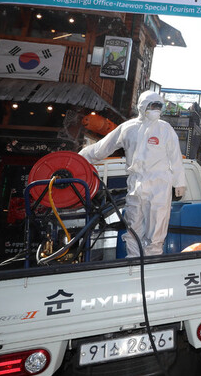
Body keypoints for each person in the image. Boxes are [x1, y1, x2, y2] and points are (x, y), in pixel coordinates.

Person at [78, 90, 185, 257]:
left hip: (160, 183)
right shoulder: (127, 128)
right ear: (142, 106)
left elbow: (175, 157)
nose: (156, 109)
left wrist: (179, 182)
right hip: (136, 183)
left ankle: (152, 262)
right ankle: (133, 263)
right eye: (153, 105)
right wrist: (79, 158)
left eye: (159, 106)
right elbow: (103, 147)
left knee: (157, 227)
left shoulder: (165, 129)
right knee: (133, 225)